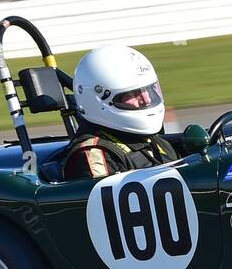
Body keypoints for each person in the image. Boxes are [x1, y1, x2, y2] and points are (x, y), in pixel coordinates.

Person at [61, 45, 178, 179]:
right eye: (132, 94)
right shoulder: (94, 155)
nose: (146, 99)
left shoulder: (156, 143)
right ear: (99, 100)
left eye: (149, 90)